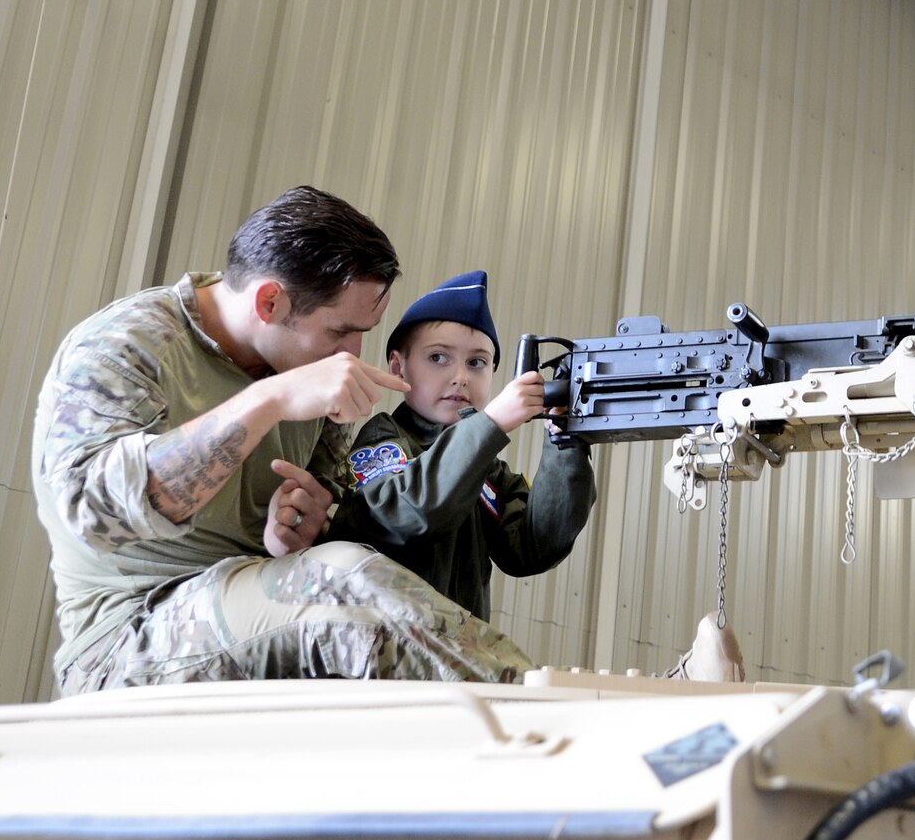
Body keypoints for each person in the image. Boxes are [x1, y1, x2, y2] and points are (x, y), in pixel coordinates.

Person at [33, 187, 535, 694]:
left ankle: (536, 699)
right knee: (340, 587)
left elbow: (325, 524)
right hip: (129, 639)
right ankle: (544, 713)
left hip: (259, 611)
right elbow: (91, 511)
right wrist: (269, 400)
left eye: (365, 332)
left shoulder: (311, 371)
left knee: (349, 579)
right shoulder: (127, 345)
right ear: (269, 302)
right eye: (340, 331)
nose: (354, 352)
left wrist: (306, 524)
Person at [325, 272, 595, 619]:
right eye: (438, 358)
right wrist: (492, 424)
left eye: (477, 362)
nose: (460, 377)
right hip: (385, 650)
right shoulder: (385, 437)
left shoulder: (488, 468)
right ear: (398, 367)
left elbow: (530, 548)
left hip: (456, 653)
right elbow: (407, 515)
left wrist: (564, 441)